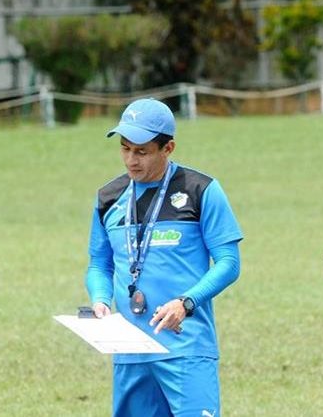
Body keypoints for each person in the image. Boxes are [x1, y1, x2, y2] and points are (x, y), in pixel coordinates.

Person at [85, 98, 242, 417]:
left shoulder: (201, 190)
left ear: (168, 148)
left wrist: (187, 302)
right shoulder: (108, 198)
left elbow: (229, 263)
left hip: (186, 348)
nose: (131, 160)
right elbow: (99, 265)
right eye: (125, 149)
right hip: (129, 352)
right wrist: (100, 299)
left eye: (141, 151)